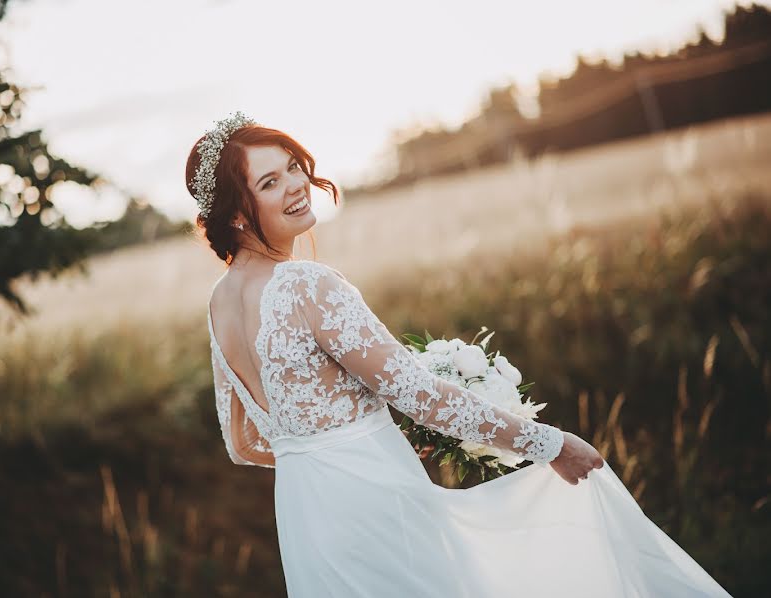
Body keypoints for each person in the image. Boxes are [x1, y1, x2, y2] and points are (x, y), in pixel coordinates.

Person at [186, 111, 734, 597]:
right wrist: (550, 443)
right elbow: (417, 394)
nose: (297, 184)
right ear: (237, 213)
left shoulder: (220, 302)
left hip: (307, 517)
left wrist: (319, 455)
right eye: (270, 181)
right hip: (375, 502)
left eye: (291, 166)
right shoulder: (306, 284)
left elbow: (243, 443)